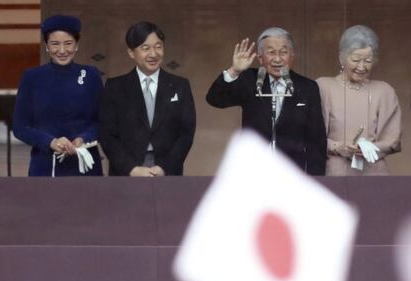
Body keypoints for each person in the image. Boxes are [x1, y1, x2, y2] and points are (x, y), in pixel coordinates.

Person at [206, 27, 327, 175]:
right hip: (254, 170)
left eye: (283, 52)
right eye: (271, 52)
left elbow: (316, 139)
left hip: (293, 172)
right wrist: (234, 71)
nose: (277, 59)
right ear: (260, 58)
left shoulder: (307, 88)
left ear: (292, 55)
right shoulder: (249, 80)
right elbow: (215, 99)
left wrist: (316, 179)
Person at [99, 21, 196, 176]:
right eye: (145, 48)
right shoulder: (115, 87)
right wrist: (131, 169)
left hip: (167, 171)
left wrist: (165, 168)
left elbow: (186, 133)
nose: (153, 54)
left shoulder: (180, 85)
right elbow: (107, 134)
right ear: (131, 52)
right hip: (127, 171)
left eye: (158, 46)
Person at [13, 14, 103, 176]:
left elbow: (103, 121)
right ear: (46, 46)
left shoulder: (91, 76)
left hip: (85, 165)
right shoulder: (32, 77)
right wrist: (50, 142)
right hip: (45, 166)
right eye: (55, 44)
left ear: (77, 45)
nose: (62, 50)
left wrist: (83, 139)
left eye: (68, 43)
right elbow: (20, 127)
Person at [317, 25, 401, 175]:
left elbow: (393, 141)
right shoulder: (323, 87)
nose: (362, 67)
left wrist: (371, 147)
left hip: (374, 172)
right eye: (356, 60)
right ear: (341, 57)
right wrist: (337, 147)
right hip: (335, 172)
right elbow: (312, 136)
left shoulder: (384, 91)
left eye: (368, 60)